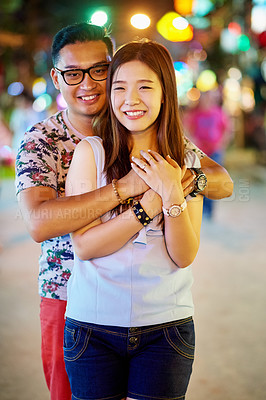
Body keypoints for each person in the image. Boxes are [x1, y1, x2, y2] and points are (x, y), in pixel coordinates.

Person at [15, 23, 233, 400]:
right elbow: (38, 223)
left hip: (155, 311)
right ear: (56, 77)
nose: (88, 83)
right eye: (73, 73)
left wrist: (177, 182)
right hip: (68, 294)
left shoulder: (148, 129)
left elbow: (224, 183)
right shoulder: (45, 139)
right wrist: (133, 190)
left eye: (100, 70)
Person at [63, 39, 211, 400]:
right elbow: (84, 246)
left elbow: (184, 255)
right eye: (120, 88)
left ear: (165, 93)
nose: (131, 100)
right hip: (92, 329)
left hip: (166, 328)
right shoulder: (91, 154)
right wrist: (146, 208)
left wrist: (172, 193)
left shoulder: (187, 161)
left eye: (145, 87)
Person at [183, 89, 232, 218]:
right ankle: (201, 209)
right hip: (199, 152)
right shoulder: (195, 113)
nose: (209, 100)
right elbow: (186, 127)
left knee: (215, 180)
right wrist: (192, 140)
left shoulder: (219, 113)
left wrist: (221, 144)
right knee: (199, 179)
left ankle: (209, 210)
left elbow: (227, 130)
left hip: (215, 151)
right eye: (206, 97)